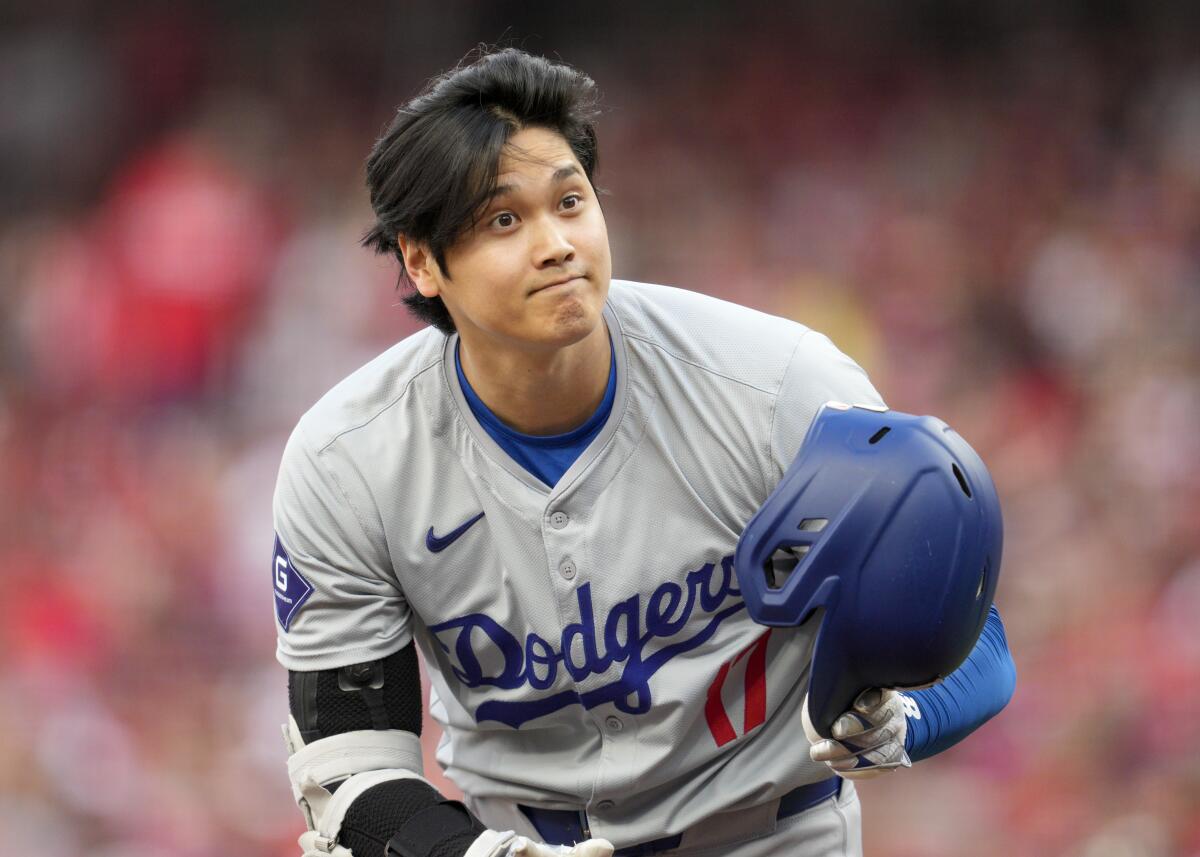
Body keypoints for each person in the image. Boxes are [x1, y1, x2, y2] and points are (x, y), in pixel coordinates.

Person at [272, 48, 1016, 857]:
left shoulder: (772, 387)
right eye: (503, 220)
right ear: (421, 261)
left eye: (569, 201)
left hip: (772, 835)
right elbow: (347, 764)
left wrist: (905, 717)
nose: (556, 243)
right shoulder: (347, 460)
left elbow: (975, 630)